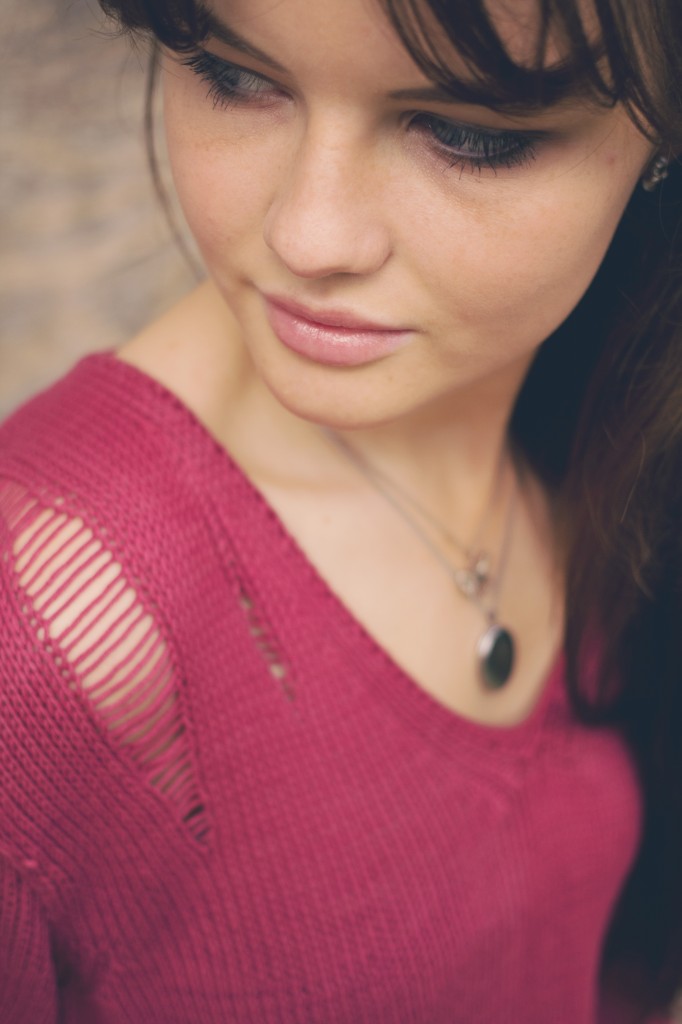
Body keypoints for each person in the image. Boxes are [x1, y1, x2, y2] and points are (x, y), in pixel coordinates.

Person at [0, 0, 681, 1020]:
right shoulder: (50, 638)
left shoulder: (615, 422)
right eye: (232, 74)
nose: (308, 235)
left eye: (471, 131)